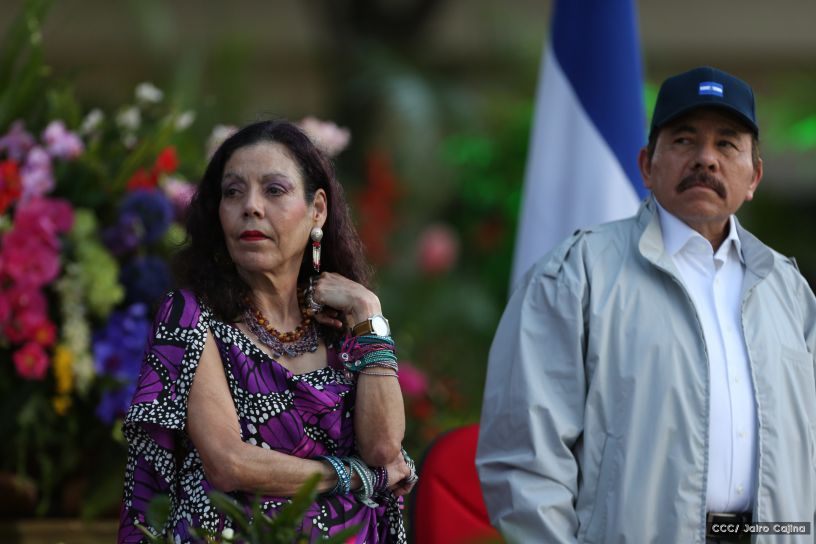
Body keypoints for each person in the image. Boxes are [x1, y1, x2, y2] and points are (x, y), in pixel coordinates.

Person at [476, 66, 816, 543]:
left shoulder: (788, 290)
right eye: (683, 140)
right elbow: (522, 456)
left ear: (754, 174)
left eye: (727, 144)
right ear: (646, 166)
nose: (706, 159)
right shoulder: (577, 274)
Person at [117, 120, 417, 543]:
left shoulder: (345, 326)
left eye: (274, 190)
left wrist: (369, 309)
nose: (251, 207)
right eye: (233, 192)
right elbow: (229, 463)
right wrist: (353, 476)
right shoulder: (190, 314)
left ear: (318, 210)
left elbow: (384, 451)